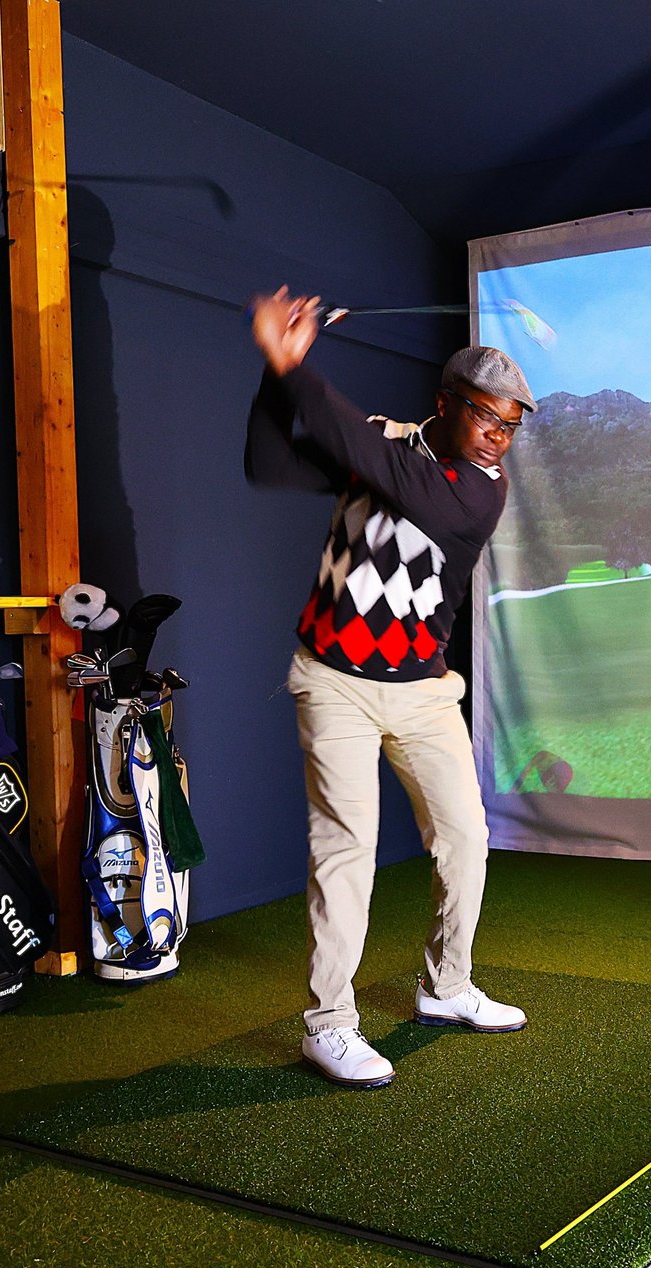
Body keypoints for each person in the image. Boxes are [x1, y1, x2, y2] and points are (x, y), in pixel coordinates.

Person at [245, 286, 530, 1088]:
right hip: (334, 682)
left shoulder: (479, 488)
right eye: (485, 417)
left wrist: (295, 365)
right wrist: (277, 377)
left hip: (424, 691)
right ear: (445, 404)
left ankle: (447, 986)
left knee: (465, 839)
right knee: (348, 851)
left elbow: (387, 471)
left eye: (510, 426)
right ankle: (328, 1024)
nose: (498, 438)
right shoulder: (379, 440)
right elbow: (269, 462)